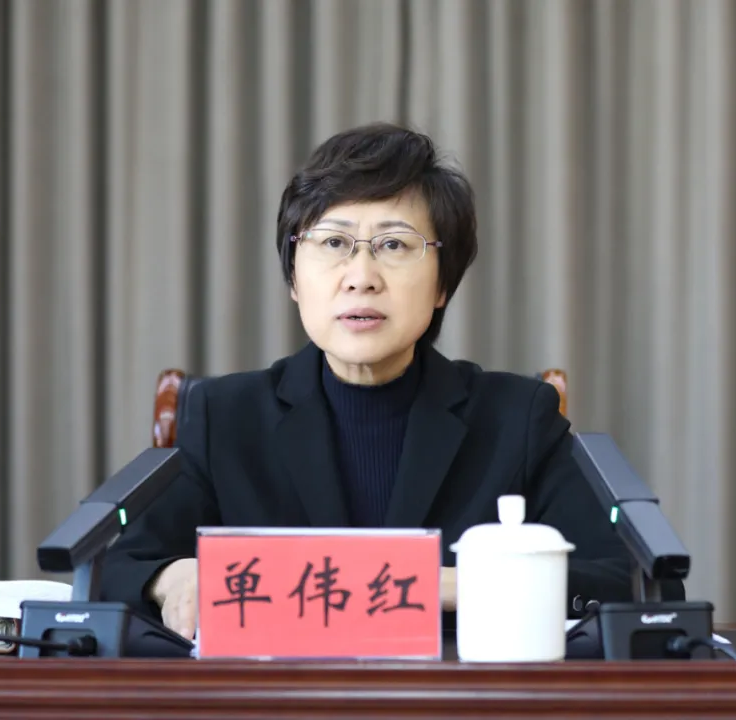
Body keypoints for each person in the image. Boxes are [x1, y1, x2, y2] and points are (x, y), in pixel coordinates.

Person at [99, 122, 646, 640]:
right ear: (294, 278)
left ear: (442, 285)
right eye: (333, 244)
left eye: (395, 245)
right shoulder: (224, 417)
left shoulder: (517, 418)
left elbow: (621, 583)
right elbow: (116, 570)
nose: (361, 278)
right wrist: (172, 577)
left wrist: (448, 584)